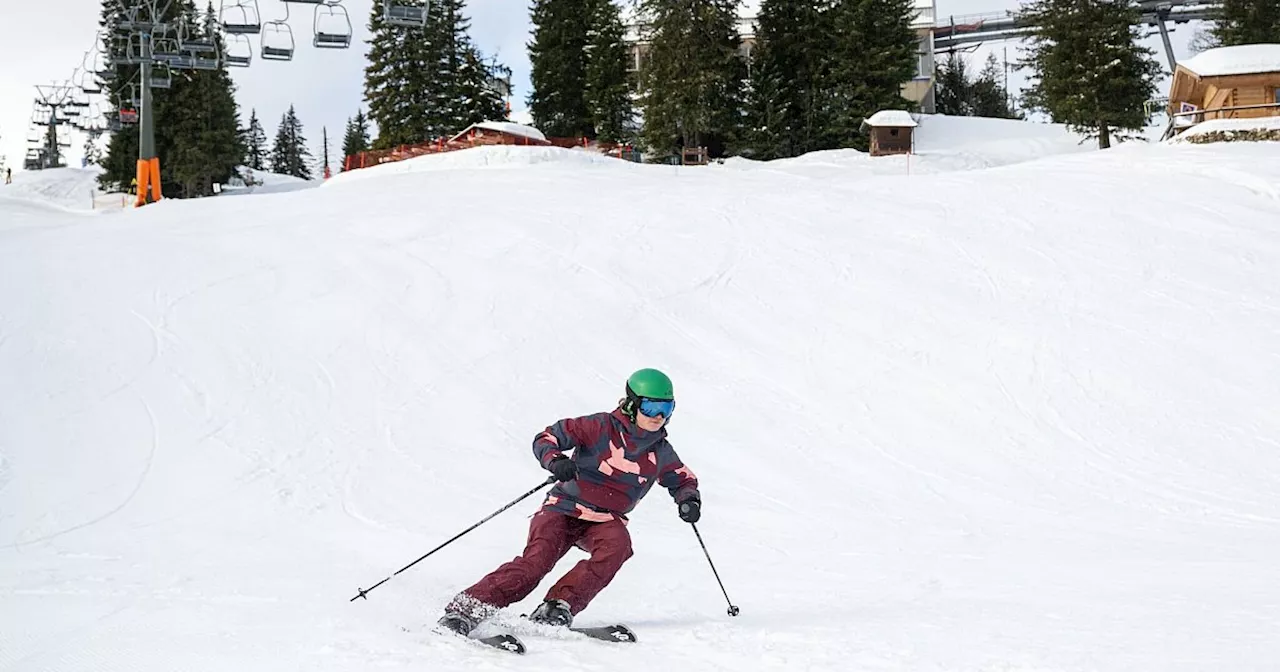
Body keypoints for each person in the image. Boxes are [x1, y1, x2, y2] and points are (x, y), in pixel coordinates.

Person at [438, 368, 700, 635]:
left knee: (618, 546)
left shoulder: (660, 451)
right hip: (564, 508)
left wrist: (688, 500)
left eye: (666, 408)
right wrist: (556, 460)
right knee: (536, 563)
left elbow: (682, 479)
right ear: (632, 404)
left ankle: (558, 605)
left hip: (605, 519)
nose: (658, 416)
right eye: (651, 406)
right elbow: (547, 438)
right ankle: (466, 609)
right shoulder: (598, 427)